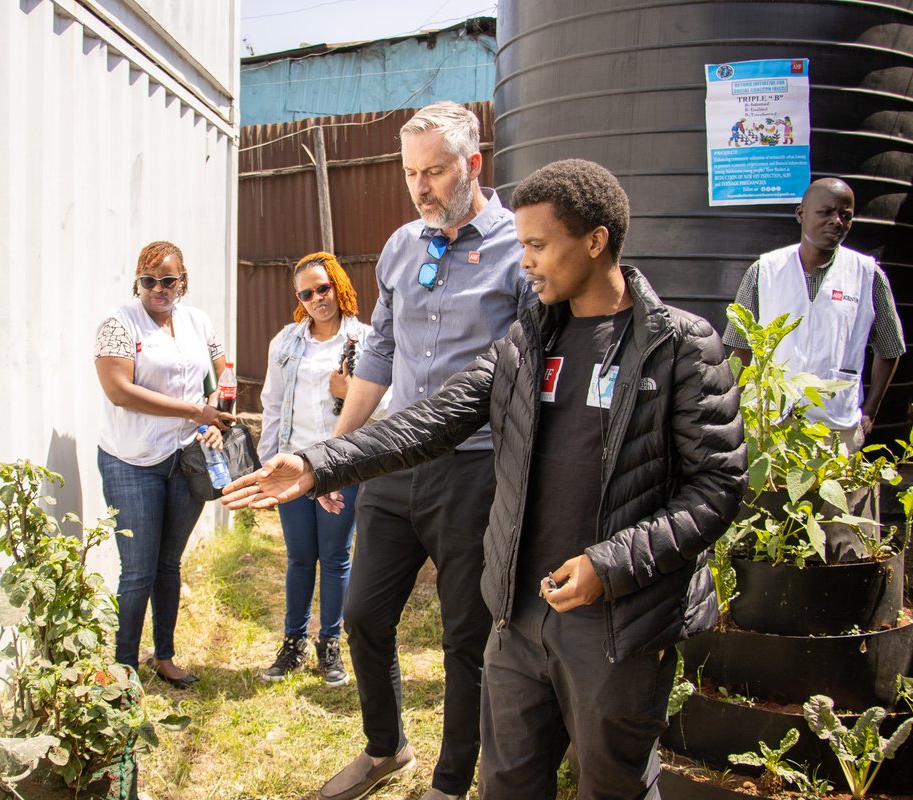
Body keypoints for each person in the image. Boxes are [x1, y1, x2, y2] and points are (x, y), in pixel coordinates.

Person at [223, 159, 747, 800]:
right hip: (519, 617)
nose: (523, 261)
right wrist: (317, 462)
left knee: (612, 786)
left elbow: (717, 488)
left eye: (536, 245)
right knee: (508, 785)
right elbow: (434, 421)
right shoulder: (527, 343)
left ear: (595, 240)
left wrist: (608, 566)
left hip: (616, 622)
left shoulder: (679, 346)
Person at [310, 101, 527, 800]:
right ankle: (386, 748)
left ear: (473, 164)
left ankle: (450, 781)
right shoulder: (404, 246)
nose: (421, 187)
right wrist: (340, 454)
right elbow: (380, 349)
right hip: (397, 460)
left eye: (434, 171)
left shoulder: (518, 249)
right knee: (364, 615)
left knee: (466, 636)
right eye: (411, 173)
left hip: (475, 468)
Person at [94, 240, 234, 689]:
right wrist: (193, 412)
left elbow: (222, 372)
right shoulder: (118, 324)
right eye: (149, 280)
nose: (158, 288)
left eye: (168, 280)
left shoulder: (197, 321)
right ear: (138, 282)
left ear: (182, 281)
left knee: (168, 564)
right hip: (131, 461)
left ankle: (165, 656)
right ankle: (123, 668)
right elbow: (119, 390)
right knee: (138, 569)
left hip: (185, 461)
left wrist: (215, 417)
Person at [257, 251, 388, 687]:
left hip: (341, 466)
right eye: (307, 293)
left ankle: (329, 646)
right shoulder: (286, 342)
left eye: (323, 288)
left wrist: (351, 391)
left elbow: (387, 406)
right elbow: (272, 405)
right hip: (294, 466)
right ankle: (292, 643)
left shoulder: (366, 340)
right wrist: (266, 465)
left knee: (334, 558)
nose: (317, 299)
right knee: (298, 559)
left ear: (338, 284)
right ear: (300, 298)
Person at [722, 177, 905, 451]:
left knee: (836, 492)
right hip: (771, 423)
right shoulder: (765, 271)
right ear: (801, 214)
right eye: (826, 212)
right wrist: (734, 409)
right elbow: (739, 348)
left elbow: (890, 348)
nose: (837, 221)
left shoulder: (867, 275)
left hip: (835, 426)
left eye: (846, 215)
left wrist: (870, 410)